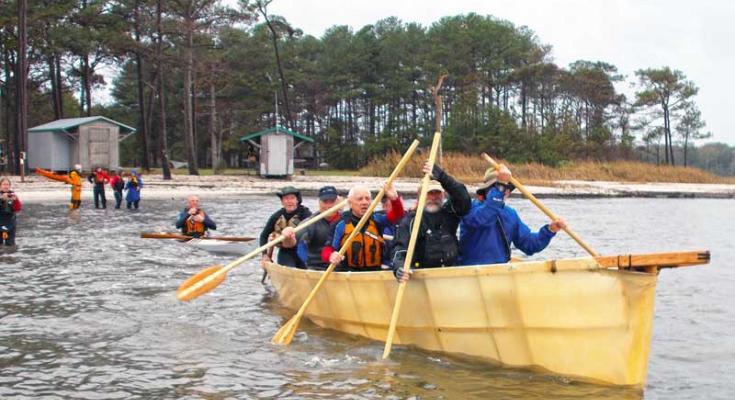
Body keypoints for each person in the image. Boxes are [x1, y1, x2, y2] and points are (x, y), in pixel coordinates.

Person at [458, 165, 567, 266]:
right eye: (498, 188)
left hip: (499, 272)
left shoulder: (510, 214)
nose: (504, 191)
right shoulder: (470, 208)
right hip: (469, 272)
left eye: (506, 188)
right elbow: (483, 218)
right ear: (486, 191)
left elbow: (529, 245)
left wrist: (550, 230)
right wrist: (500, 188)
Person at [392, 162, 472, 282]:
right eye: (429, 193)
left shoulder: (450, 213)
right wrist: (399, 268)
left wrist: (442, 176)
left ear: (443, 195)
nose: (434, 197)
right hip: (423, 279)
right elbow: (400, 250)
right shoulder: (410, 221)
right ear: (420, 196)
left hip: (451, 275)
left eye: (437, 193)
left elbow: (463, 198)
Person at [326, 183, 405, 271]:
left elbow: (398, 214)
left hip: (374, 272)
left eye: (367, 199)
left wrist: (394, 199)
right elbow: (327, 250)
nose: (364, 202)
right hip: (349, 273)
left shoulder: (377, 219)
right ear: (350, 203)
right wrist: (331, 255)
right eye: (360, 199)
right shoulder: (340, 224)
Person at [260, 186, 312, 268]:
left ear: (297, 200)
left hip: (303, 249)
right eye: (286, 199)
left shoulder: (306, 214)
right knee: (288, 268)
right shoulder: (276, 216)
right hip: (285, 251)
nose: (289, 201)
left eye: (292, 198)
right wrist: (264, 255)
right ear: (282, 201)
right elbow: (263, 235)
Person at [295, 186, 342, 270]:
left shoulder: (345, 220)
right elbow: (296, 241)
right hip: (316, 268)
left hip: (341, 268)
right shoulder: (310, 223)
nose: (328, 206)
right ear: (319, 203)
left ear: (338, 202)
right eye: (325, 202)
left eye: (332, 202)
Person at [0, 177, 22, 246]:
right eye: (4, 184)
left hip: (10, 223)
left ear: (9, 186)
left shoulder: (12, 195)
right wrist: (1, 199)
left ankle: (10, 256)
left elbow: (18, 209)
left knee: (10, 245)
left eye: (7, 185)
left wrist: (16, 200)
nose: (6, 186)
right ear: (0, 186)